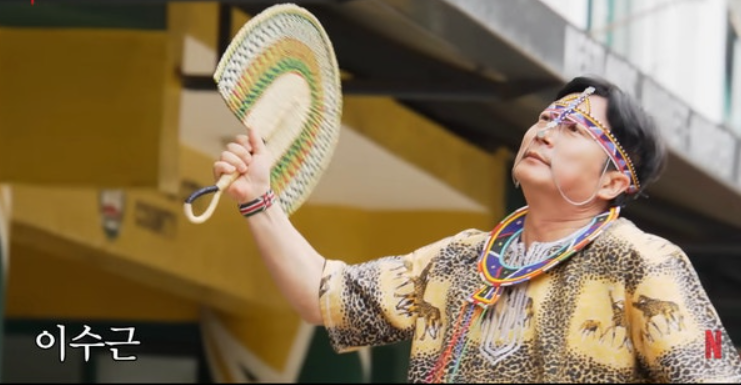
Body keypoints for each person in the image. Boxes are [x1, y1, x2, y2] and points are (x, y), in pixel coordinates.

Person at [213, 75, 741, 383]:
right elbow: (325, 298)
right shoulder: (460, 259)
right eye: (546, 119)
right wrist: (258, 198)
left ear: (613, 181)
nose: (545, 133)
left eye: (575, 129)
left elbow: (718, 369)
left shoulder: (643, 260)